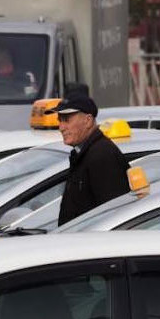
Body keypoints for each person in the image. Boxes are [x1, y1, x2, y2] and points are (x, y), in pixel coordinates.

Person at [46, 94, 130, 226]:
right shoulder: (84, 153)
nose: (61, 127)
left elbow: (112, 214)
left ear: (88, 120)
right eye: (60, 120)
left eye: (67, 120)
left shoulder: (102, 155)